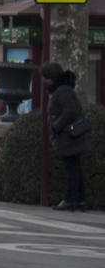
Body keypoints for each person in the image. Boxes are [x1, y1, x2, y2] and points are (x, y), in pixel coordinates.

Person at [43, 62, 91, 211]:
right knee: (75, 168)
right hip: (69, 136)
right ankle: (80, 199)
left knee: (71, 169)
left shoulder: (62, 91)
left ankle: (70, 199)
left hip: (67, 137)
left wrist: (56, 125)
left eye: (46, 78)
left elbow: (70, 110)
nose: (45, 81)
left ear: (52, 78)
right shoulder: (64, 90)